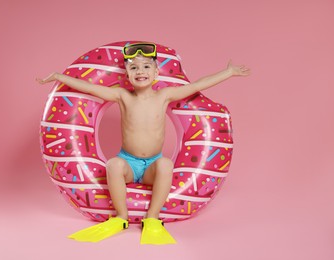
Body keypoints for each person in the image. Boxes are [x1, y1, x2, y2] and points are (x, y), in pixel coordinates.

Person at [36, 42, 250, 245]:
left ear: (156, 74)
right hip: (128, 162)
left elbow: (198, 85)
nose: (141, 71)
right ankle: (121, 217)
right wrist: (59, 76)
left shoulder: (165, 96)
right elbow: (90, 88)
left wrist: (228, 73)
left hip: (152, 166)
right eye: (134, 68)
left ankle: (153, 218)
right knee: (113, 165)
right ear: (127, 75)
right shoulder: (122, 96)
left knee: (166, 165)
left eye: (147, 66)